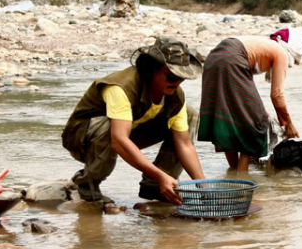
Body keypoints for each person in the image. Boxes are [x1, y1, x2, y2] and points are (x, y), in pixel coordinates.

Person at [62, 36, 206, 205]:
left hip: (127, 132)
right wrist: (159, 175)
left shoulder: (175, 97)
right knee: (111, 128)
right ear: (152, 68)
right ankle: (88, 184)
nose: (177, 82)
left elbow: (184, 144)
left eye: (182, 78)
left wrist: (203, 186)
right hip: (82, 139)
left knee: (190, 113)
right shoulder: (121, 87)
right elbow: (119, 140)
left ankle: (156, 186)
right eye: (172, 76)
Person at [198, 29, 302, 172]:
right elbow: (277, 94)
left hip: (214, 58)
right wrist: (288, 124)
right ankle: (243, 176)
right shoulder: (281, 53)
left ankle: (234, 170)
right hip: (231, 59)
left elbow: (246, 90)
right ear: (294, 49)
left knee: (227, 116)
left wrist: (260, 110)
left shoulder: (264, 46)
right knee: (256, 121)